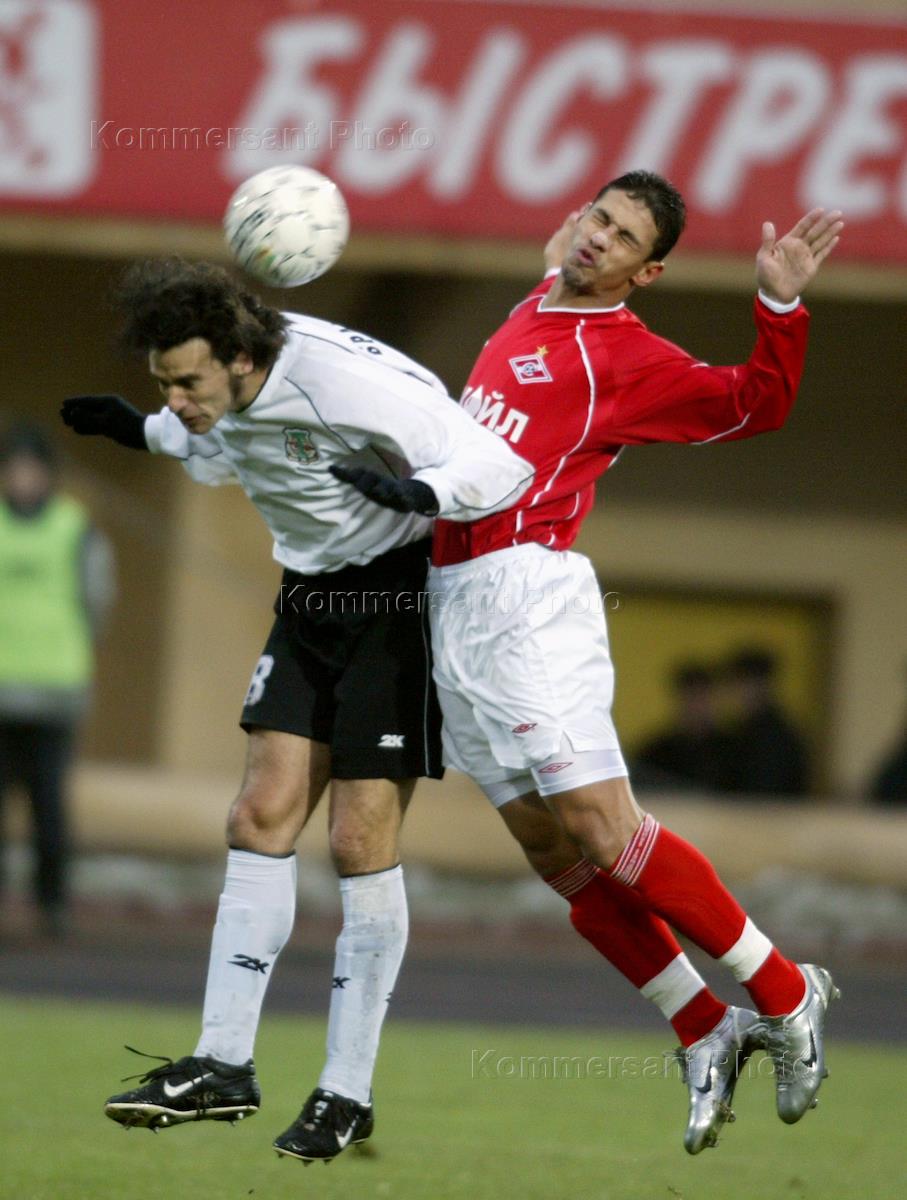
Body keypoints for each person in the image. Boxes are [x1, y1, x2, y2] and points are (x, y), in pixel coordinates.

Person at [337, 171, 844, 1154]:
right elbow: (550, 273)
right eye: (597, 218)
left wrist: (778, 306)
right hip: (453, 605)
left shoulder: (624, 356)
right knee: (551, 851)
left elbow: (756, 403)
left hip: (529, 600)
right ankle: (704, 1025)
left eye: (622, 240)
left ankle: (788, 994)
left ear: (645, 273)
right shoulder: (534, 301)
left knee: (603, 828)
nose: (597, 239)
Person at [60, 260, 536, 1162]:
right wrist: (144, 429)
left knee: (357, 842)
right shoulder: (222, 395)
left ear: (241, 358)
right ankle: (221, 1064)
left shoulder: (342, 383)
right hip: (311, 597)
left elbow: (497, 461)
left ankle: (346, 1091)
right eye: (163, 384)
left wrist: (425, 492)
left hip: (398, 598)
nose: (177, 400)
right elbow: (222, 440)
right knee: (257, 815)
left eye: (186, 383)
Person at [0, 422, 115, 939]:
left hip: (54, 691)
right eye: (13, 468)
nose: (22, 478)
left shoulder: (75, 528)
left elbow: (98, 598)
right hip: (3, 690)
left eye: (30, 468)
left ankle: (52, 905)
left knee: (49, 808)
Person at [722, 648, 810, 796]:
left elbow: (764, 791)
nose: (734, 692)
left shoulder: (775, 736)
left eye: (739, 684)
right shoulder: (742, 730)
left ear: (759, 685)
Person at [634, 662, 734, 792]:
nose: (698, 706)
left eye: (703, 697)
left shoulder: (734, 751)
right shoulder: (656, 753)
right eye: (692, 697)